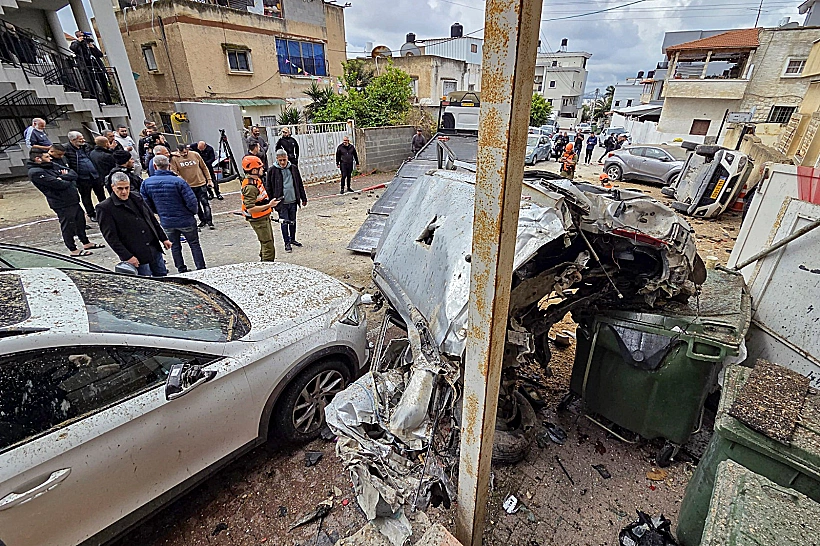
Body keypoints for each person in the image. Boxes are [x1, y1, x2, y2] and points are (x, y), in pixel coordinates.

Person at [27, 149, 103, 256]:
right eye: (47, 157)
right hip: (61, 203)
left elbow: (73, 173)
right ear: (38, 159)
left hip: (73, 199)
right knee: (68, 225)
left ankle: (86, 242)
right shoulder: (36, 172)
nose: (50, 159)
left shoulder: (50, 165)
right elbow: (59, 184)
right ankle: (73, 249)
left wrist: (62, 177)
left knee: (80, 221)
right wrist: (63, 178)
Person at [97, 172, 171, 277]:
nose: (124, 192)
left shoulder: (136, 197)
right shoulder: (105, 208)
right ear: (113, 187)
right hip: (136, 254)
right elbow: (111, 237)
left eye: (127, 188)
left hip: (153, 249)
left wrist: (163, 238)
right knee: (146, 284)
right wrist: (127, 257)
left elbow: (150, 219)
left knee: (162, 275)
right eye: (120, 188)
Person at [141, 154, 206, 273]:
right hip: (185, 218)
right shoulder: (179, 182)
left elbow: (146, 204)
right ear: (169, 165)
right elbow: (191, 201)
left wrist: (159, 212)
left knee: (175, 246)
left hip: (166, 220)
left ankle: (181, 268)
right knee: (194, 244)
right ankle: (200, 267)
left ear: (155, 166)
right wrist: (192, 212)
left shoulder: (146, 183)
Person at [267, 149, 307, 253]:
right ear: (277, 159)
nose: (282, 163)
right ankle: (287, 242)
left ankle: (292, 239)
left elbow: (299, 183)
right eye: (280, 160)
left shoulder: (293, 168)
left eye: (284, 160)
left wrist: (303, 197)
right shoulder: (272, 170)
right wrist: (271, 202)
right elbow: (269, 188)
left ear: (287, 158)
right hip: (281, 203)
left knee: (293, 221)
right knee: (284, 223)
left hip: (293, 200)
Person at [240, 155, 279, 262]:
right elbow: (251, 209)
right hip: (258, 219)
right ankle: (266, 268)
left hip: (263, 216)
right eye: (260, 167)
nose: (263, 169)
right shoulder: (250, 187)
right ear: (253, 170)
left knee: (267, 243)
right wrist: (269, 205)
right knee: (268, 246)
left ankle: (264, 264)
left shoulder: (256, 181)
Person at [170, 144, 214, 229]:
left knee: (205, 202)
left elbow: (204, 167)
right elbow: (174, 172)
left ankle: (209, 221)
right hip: (188, 185)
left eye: (185, 152)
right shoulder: (175, 159)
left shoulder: (195, 154)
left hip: (200, 182)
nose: (184, 154)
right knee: (196, 204)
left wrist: (209, 180)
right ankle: (202, 220)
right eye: (182, 153)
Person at [64, 131, 105, 222]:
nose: (83, 140)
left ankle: (105, 211)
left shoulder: (86, 146)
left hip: (95, 175)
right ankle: (91, 214)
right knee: (86, 197)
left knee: (101, 194)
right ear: (73, 140)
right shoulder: (66, 149)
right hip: (82, 178)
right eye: (81, 139)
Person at [69, 30, 111, 105]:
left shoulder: (90, 45)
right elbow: (72, 48)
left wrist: (92, 47)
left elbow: (100, 54)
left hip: (97, 67)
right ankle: (95, 101)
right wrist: (79, 42)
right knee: (91, 85)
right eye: (81, 33)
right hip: (87, 68)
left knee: (103, 84)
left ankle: (108, 101)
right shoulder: (76, 43)